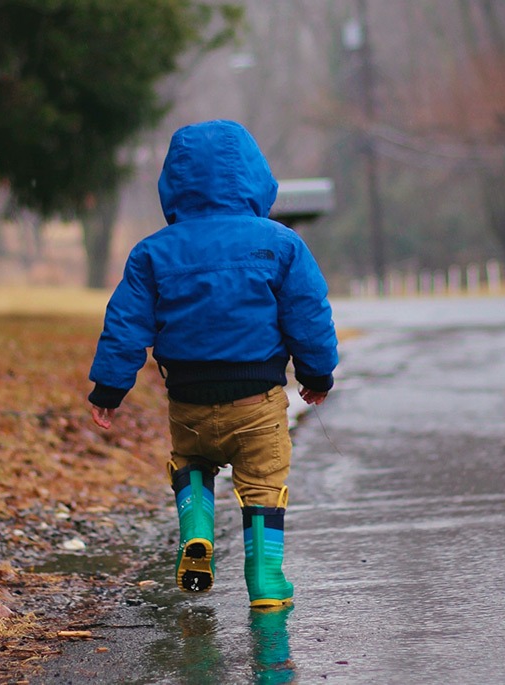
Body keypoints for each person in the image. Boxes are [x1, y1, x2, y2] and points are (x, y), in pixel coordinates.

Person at [87, 119, 337, 608]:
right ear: (254, 177)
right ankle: (265, 580)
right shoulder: (281, 243)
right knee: (263, 482)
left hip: (188, 400)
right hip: (257, 401)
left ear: (174, 183)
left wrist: (108, 390)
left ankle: (197, 529)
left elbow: (126, 324)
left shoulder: (153, 252)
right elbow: (308, 314)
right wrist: (316, 374)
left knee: (192, 463)